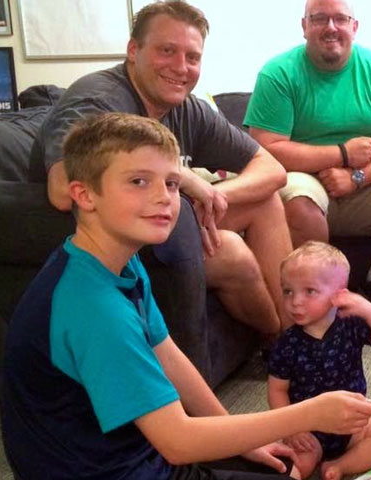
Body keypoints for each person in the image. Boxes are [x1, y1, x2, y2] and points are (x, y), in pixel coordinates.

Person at [1, 112, 371, 479]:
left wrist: (244, 441)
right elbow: (179, 442)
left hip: (129, 451)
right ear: (84, 195)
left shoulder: (118, 262)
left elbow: (166, 351)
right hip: (115, 467)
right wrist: (308, 414)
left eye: (170, 183)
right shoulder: (95, 309)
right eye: (138, 181)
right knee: (291, 457)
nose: (164, 198)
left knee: (277, 460)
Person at [32, 0, 292, 334]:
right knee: (230, 252)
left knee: (265, 200)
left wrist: (210, 195)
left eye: (192, 57)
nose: (181, 67)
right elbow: (61, 190)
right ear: (133, 50)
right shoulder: (98, 99)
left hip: (166, 222)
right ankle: (281, 341)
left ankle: (295, 340)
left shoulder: (186, 108)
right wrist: (178, 175)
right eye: (167, 50)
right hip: (107, 236)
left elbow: (272, 170)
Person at [244, 0, 371, 320]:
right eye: (319, 19)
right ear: (304, 26)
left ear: (354, 27)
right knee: (300, 198)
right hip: (305, 177)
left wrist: (356, 176)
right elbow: (267, 147)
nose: (331, 27)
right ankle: (316, 298)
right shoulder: (278, 73)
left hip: (367, 181)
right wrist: (342, 154)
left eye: (340, 19)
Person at [266, 241, 371, 480]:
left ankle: (340, 466)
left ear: (340, 295)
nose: (295, 301)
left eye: (309, 291)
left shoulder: (350, 324)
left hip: (352, 423)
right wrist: (293, 428)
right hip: (310, 429)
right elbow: (277, 390)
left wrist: (367, 308)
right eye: (288, 291)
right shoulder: (286, 344)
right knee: (295, 466)